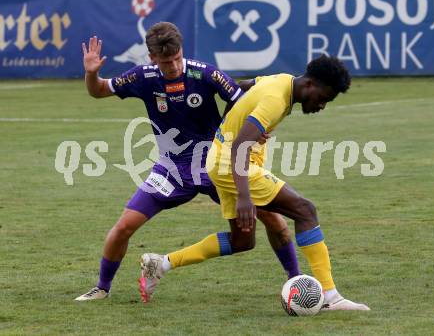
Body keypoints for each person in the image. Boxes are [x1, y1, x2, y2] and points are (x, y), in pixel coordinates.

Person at [75, 22, 300, 301]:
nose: (173, 65)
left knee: (274, 221)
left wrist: (257, 130)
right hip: (171, 169)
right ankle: (102, 288)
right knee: (123, 227)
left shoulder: (205, 74)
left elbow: (245, 101)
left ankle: (296, 283)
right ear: (152, 58)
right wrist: (91, 73)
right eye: (166, 61)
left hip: (215, 166)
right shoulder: (143, 77)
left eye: (177, 58)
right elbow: (98, 90)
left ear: (182, 50)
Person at [140, 55, 370, 311]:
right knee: (305, 210)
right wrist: (245, 197)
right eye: (324, 97)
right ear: (311, 84)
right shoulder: (276, 98)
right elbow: (239, 146)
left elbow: (243, 87)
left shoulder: (281, 80)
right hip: (232, 164)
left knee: (242, 241)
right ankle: (331, 297)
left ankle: (161, 264)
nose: (322, 105)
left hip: (219, 159)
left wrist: (233, 121)